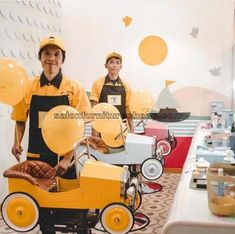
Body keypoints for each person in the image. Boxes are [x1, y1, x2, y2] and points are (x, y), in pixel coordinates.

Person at [11, 36, 91, 234]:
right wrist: (17, 143)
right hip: (37, 155)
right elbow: (20, 118)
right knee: (43, 205)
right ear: (40, 58)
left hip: (66, 158)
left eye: (57, 54)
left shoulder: (75, 89)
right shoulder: (28, 87)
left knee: (72, 203)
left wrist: (67, 158)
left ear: (63, 59)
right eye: (47, 53)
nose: (51, 58)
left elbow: (81, 128)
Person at [90, 52, 134, 137]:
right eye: (111, 62)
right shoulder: (98, 83)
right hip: (102, 128)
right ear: (106, 65)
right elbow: (94, 109)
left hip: (121, 129)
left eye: (118, 63)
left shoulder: (126, 85)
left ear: (121, 66)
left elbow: (128, 108)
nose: (114, 65)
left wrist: (132, 128)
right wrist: (94, 129)